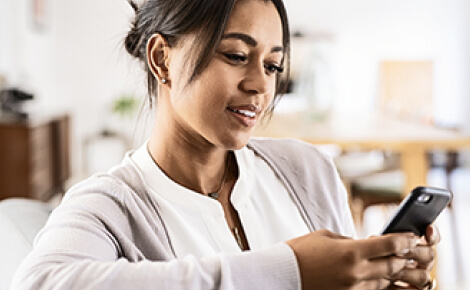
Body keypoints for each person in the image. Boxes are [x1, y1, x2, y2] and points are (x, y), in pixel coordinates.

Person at [12, 0, 439, 289]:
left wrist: (377, 276)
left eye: (272, 65)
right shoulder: (110, 206)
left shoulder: (309, 169)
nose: (259, 85)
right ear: (162, 58)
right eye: (236, 55)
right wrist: (290, 271)